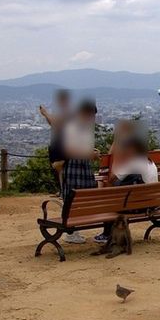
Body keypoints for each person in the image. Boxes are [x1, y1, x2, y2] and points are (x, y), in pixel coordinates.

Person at [61, 99, 99, 244]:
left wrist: (91, 153)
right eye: (91, 116)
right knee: (73, 199)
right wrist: (90, 154)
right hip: (74, 167)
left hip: (84, 167)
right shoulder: (72, 127)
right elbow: (69, 151)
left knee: (82, 199)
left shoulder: (85, 128)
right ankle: (71, 231)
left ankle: (75, 230)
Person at [39, 89, 72, 193]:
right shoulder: (63, 112)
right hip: (59, 143)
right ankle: (62, 189)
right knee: (59, 170)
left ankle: (64, 190)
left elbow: (57, 125)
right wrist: (46, 116)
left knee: (60, 168)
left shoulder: (67, 112)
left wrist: (46, 113)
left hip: (63, 144)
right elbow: (53, 124)